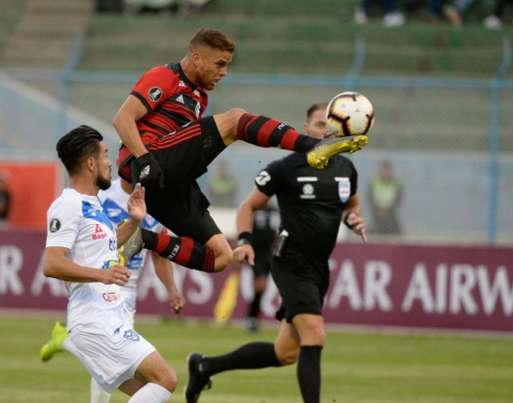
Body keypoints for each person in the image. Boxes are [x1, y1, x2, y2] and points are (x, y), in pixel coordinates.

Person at [112, 27, 368, 275]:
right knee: (235, 119)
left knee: (221, 257)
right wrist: (144, 158)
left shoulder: (199, 97)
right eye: (220, 64)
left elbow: (185, 144)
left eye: (228, 65)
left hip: (166, 181)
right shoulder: (166, 76)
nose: (224, 72)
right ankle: (311, 146)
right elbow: (122, 119)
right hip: (149, 162)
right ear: (197, 57)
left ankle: (142, 238)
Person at [184, 103, 367, 403]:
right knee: (315, 334)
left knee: (286, 353)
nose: (324, 131)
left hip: (318, 267)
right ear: (305, 128)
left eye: (329, 126)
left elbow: (351, 204)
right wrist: (247, 240)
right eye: (318, 124)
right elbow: (247, 206)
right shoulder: (286, 167)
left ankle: (205, 367)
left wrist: (353, 219)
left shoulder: (345, 168)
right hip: (290, 261)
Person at [43, 125, 177, 403]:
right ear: (89, 162)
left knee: (155, 402)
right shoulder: (67, 204)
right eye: (104, 156)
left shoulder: (94, 205)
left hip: (109, 317)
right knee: (165, 379)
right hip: (94, 320)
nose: (109, 162)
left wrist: (133, 221)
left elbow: (103, 245)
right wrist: (101, 275)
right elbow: (52, 263)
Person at [39, 176, 184, 403]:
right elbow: (77, 246)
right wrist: (80, 282)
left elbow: (159, 253)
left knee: (122, 365)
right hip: (102, 287)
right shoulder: (100, 198)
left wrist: (172, 289)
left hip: (127, 288)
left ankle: (67, 341)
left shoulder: (156, 204)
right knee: (118, 362)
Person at [243, 201, 280, 332]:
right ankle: (251, 318)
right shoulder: (252, 207)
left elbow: (277, 231)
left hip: (269, 253)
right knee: (260, 286)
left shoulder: (274, 210)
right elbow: (245, 227)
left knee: (263, 288)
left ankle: (253, 318)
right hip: (256, 253)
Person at [367, 160, 402, 235]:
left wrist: (388, 211)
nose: (386, 173)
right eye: (384, 170)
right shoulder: (374, 183)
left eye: (388, 171)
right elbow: (370, 199)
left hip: (391, 214)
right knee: (374, 231)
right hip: (377, 215)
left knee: (397, 233)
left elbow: (397, 200)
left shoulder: (396, 184)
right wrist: (378, 210)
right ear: (380, 171)